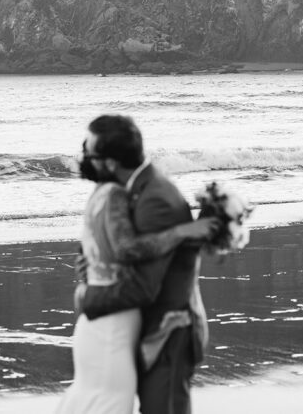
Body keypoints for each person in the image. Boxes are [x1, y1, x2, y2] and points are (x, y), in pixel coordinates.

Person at [57, 115, 219, 414]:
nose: (85, 160)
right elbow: (101, 248)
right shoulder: (125, 190)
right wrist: (91, 269)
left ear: (111, 162)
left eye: (90, 154)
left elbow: (143, 286)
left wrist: (88, 297)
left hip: (168, 330)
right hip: (140, 328)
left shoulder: (154, 199)